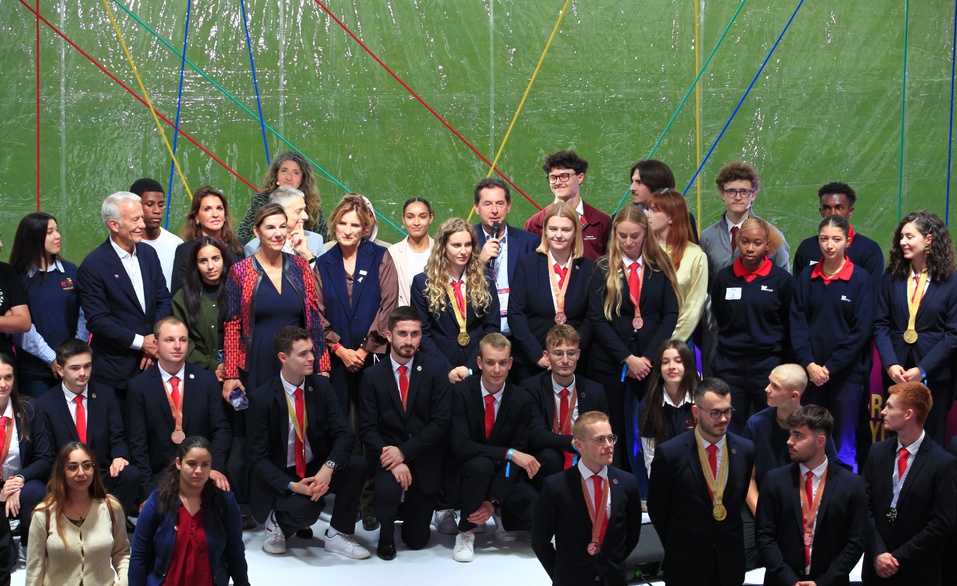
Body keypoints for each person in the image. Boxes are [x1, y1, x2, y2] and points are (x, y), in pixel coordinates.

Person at [247, 326, 370, 559]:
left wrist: (328, 468)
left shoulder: (321, 387)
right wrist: (292, 486)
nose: (312, 358)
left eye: (312, 351)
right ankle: (276, 522)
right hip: (282, 476)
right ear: (283, 358)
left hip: (315, 468)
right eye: (303, 354)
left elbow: (345, 434)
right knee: (307, 511)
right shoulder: (262, 398)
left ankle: (338, 535)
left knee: (357, 465)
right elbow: (259, 460)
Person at [586, 205, 678, 470]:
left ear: (645, 233)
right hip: (610, 361)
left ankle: (657, 482)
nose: (628, 242)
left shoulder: (659, 265)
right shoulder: (603, 268)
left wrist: (647, 357)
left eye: (634, 236)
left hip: (649, 361)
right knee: (612, 427)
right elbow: (597, 319)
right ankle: (616, 481)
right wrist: (627, 358)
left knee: (654, 424)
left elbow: (670, 313)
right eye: (622, 236)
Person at [358, 306, 451, 560]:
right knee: (387, 493)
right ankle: (386, 534)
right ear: (389, 335)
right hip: (386, 458)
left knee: (417, 541)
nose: (408, 341)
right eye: (402, 334)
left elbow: (441, 422)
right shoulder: (372, 375)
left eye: (415, 334)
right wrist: (393, 458)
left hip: (423, 457)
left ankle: (412, 520)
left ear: (421, 336)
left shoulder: (435, 370)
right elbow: (367, 427)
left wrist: (405, 452)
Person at [647, 377, 756, 586]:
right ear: (696, 412)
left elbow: (736, 501)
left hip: (729, 564)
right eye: (715, 412)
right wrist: (678, 545)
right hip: (686, 564)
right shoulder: (671, 454)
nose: (723, 419)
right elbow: (658, 508)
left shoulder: (745, 449)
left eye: (727, 411)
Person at [222, 203, 331, 402]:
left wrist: (322, 365)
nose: (278, 233)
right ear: (257, 231)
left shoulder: (300, 266)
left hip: (297, 359)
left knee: (298, 422)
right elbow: (232, 326)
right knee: (260, 424)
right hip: (257, 360)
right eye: (270, 227)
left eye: (282, 227)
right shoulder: (239, 271)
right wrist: (231, 373)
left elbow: (314, 317)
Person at [791, 214, 875, 470]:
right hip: (813, 373)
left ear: (847, 241)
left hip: (846, 376)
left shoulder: (860, 279)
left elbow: (860, 331)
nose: (829, 245)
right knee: (812, 435)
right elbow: (798, 323)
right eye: (824, 239)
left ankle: (844, 489)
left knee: (844, 440)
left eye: (836, 239)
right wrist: (810, 364)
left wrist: (830, 367)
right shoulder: (806, 277)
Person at [447, 333, 540, 562]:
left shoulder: (522, 400)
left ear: (510, 363)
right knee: (481, 465)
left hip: (504, 475)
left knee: (536, 511)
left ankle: (501, 513)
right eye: (490, 362)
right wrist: (509, 453)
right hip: (468, 472)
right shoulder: (461, 392)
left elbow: (516, 463)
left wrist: (494, 501)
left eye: (502, 362)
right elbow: (461, 447)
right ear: (479, 363)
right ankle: (465, 532)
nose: (496, 369)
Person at [77, 191, 171, 410]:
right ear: (114, 224)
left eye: (142, 217)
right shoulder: (93, 265)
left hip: (154, 364)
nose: (142, 224)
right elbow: (98, 320)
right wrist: (141, 343)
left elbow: (163, 299)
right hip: (116, 372)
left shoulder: (148, 254)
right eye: (135, 219)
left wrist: (154, 342)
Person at [755, 405, 868, 586]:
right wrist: (790, 581)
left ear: (820, 440)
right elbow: (764, 536)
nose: (789, 441)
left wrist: (823, 583)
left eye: (798, 435)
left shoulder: (852, 485)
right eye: (790, 433)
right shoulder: (774, 480)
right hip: (782, 581)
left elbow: (855, 542)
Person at [873, 210, 957, 446]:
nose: (902, 242)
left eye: (909, 237)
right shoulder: (892, 276)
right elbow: (880, 324)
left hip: (934, 373)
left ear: (928, 239)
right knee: (896, 436)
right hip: (897, 372)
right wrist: (890, 364)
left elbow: (953, 334)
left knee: (931, 439)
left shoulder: (951, 281)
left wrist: (922, 369)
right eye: (901, 237)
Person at [531, 411, 642, 586]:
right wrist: (561, 575)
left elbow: (632, 535)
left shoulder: (627, 483)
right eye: (599, 440)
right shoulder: (556, 486)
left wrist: (610, 564)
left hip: (613, 579)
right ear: (579, 445)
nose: (608, 445)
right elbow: (540, 541)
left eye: (610, 438)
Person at [126, 317, 231, 501]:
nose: (177, 346)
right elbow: (137, 444)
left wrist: (215, 469)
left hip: (202, 471)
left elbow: (221, 429)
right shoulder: (139, 387)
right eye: (170, 340)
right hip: (159, 476)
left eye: (183, 340)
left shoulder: (207, 381)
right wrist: (147, 494)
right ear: (156, 344)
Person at [862, 382, 957, 584]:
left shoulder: (943, 463)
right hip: (875, 568)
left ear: (908, 414)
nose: (883, 411)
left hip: (917, 572)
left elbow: (941, 523)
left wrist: (898, 559)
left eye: (890, 406)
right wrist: (878, 553)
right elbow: (863, 508)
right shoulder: (876, 453)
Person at [36, 339, 141, 519]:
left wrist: (120, 456)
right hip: (66, 476)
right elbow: (47, 453)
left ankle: (111, 524)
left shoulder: (105, 395)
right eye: (75, 368)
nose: (83, 373)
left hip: (100, 473)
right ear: (60, 370)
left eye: (87, 366)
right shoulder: (44, 404)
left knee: (130, 474)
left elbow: (117, 437)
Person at [314, 193, 397, 416]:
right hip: (336, 359)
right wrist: (340, 350)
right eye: (342, 223)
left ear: (365, 228)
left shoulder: (381, 257)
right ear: (334, 224)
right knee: (338, 422)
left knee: (375, 419)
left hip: (374, 357)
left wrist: (363, 350)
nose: (348, 230)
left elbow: (388, 306)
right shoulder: (322, 263)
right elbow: (316, 312)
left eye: (355, 225)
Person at [709, 216, 794, 434]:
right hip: (731, 366)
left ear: (768, 245)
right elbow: (720, 315)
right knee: (731, 428)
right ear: (738, 241)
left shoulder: (781, 280)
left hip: (768, 366)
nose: (750, 248)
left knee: (771, 428)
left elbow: (787, 321)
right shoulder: (724, 278)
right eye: (745, 242)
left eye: (757, 243)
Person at [129, 435, 249, 586]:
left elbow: (235, 554)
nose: (199, 470)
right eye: (192, 464)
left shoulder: (226, 503)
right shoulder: (157, 501)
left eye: (205, 464)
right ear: (178, 463)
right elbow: (139, 557)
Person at [509, 202, 596, 377]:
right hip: (533, 361)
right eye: (553, 229)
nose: (559, 235)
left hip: (575, 363)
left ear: (575, 233)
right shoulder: (527, 264)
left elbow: (592, 316)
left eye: (565, 230)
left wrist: (570, 354)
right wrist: (537, 355)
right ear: (545, 231)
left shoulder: (589, 268)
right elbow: (516, 313)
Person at [26, 442, 130, 586]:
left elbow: (122, 553)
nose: (81, 473)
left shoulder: (111, 507)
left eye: (87, 465)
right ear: (62, 471)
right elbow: (34, 568)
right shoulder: (44, 513)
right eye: (72, 467)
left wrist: (124, 582)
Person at [410, 217, 500, 383]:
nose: (464, 251)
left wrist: (471, 367)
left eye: (467, 244)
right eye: (456, 245)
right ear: (443, 247)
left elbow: (492, 327)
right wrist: (446, 370)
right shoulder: (422, 283)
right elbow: (422, 332)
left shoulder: (486, 280)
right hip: (438, 370)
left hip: (476, 368)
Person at [9, 211, 85, 397]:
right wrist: (52, 358)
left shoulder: (70, 271)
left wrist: (74, 354)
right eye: (49, 232)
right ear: (33, 238)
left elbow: (83, 314)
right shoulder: (17, 278)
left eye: (57, 230)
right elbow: (21, 328)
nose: (57, 236)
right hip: (36, 372)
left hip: (72, 367)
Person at [523, 324, 608, 485]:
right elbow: (536, 435)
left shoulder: (594, 390)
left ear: (578, 354)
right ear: (546, 356)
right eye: (558, 354)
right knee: (551, 456)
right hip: (547, 461)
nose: (565, 360)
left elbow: (604, 433)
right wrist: (574, 443)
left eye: (571, 353)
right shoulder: (531, 388)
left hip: (586, 456)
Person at [0, 353, 55, 567]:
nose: (3, 384)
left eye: (8, 378)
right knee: (8, 560)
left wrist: (19, 479)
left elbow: (45, 457)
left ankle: (29, 544)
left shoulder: (28, 409)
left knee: (35, 491)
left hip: (20, 480)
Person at [472, 178, 540, 346]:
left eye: (500, 204)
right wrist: (479, 262)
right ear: (476, 208)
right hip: (480, 331)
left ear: (508, 206)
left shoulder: (529, 242)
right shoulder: (465, 241)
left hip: (521, 335)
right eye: (487, 204)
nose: (494, 210)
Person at [698, 160, 790, 277]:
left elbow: (784, 280)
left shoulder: (771, 234)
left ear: (753, 195)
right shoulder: (708, 237)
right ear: (722, 194)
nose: (737, 197)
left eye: (744, 191)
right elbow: (707, 285)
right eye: (731, 191)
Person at [791, 181, 884, 287]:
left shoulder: (869, 250)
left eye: (839, 208)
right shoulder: (806, 247)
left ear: (850, 211)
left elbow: (872, 294)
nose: (832, 213)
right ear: (820, 211)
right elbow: (798, 291)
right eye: (826, 208)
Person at [646, 188, 708, 341]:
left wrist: (669, 342)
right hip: (642, 343)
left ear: (671, 217)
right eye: (648, 209)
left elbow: (694, 306)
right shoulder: (642, 251)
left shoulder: (695, 255)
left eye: (654, 211)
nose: (647, 215)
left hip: (678, 343)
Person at [525, 150, 611, 260]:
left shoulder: (601, 222)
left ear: (580, 178)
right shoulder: (535, 224)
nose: (558, 182)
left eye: (564, 176)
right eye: (553, 177)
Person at [171, 237, 235, 377]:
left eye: (215, 258)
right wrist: (214, 365)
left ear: (224, 260)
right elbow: (182, 342)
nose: (210, 266)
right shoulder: (182, 298)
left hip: (237, 363)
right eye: (203, 261)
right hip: (200, 367)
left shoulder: (238, 289)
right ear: (196, 265)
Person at [636, 339, 700, 476]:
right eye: (665, 362)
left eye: (678, 361)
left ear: (688, 365)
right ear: (659, 368)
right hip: (666, 475)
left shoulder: (702, 399)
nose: (672, 366)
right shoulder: (648, 404)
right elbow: (650, 455)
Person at [236, 151, 325, 244]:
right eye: (284, 171)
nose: (289, 177)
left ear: (302, 179)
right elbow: (242, 235)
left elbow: (324, 241)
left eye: (295, 173)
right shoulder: (262, 200)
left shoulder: (312, 203)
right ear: (276, 175)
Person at [170, 185, 244, 294]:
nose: (215, 214)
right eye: (207, 209)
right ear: (196, 217)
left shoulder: (239, 246)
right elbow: (178, 294)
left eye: (219, 208)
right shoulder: (185, 251)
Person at [243, 186, 324, 261]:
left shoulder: (316, 240)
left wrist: (307, 255)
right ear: (279, 212)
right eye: (298, 211)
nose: (306, 216)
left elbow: (323, 276)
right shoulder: (254, 248)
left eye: (304, 210)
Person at [132, 178, 183, 290]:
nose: (157, 211)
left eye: (160, 205)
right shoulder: (126, 245)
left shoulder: (177, 244)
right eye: (149, 204)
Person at [626, 159, 698, 237]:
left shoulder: (683, 217)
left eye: (639, 182)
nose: (632, 188)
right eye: (632, 182)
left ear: (656, 185)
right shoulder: (623, 218)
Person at [388, 196, 434, 307]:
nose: (416, 222)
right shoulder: (392, 253)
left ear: (430, 218)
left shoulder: (443, 251)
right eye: (410, 217)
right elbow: (390, 294)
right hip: (404, 319)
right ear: (403, 219)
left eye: (422, 217)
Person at [0, 248, 30, 361]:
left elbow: (24, 323)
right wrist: (6, 321)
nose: (1, 244)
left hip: (5, 360)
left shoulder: (6, 272)